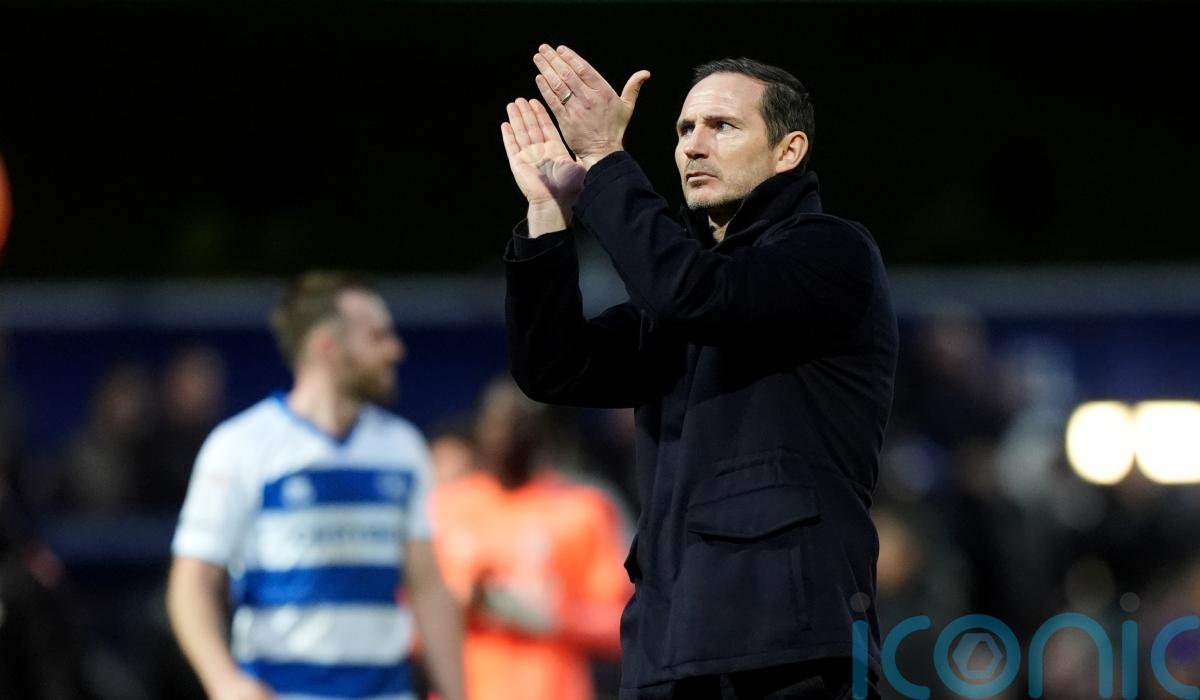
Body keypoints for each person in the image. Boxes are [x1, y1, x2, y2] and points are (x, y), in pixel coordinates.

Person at [500, 47, 898, 699]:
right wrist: (548, 215)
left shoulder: (830, 252)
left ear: (789, 151)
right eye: (685, 129)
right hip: (668, 647)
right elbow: (554, 369)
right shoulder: (681, 293)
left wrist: (603, 158)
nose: (693, 145)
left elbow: (690, 292)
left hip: (787, 642)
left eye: (722, 126)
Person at [167, 272, 466, 700]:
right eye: (377, 336)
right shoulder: (240, 446)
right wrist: (224, 681)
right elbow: (192, 581)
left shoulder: (402, 448)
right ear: (327, 346)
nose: (395, 350)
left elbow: (427, 587)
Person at [431, 377, 632, 700]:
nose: (507, 436)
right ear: (479, 429)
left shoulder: (581, 510)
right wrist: (461, 604)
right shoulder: (444, 508)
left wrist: (558, 614)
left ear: (541, 433)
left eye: (519, 425)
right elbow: (405, 620)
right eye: (498, 424)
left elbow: (623, 624)